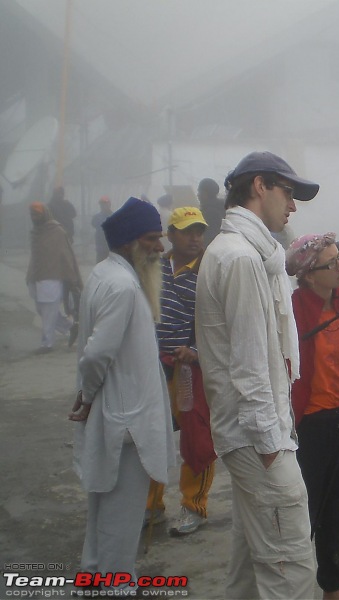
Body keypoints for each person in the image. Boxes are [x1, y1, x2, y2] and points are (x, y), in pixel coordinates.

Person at [195, 150, 319, 599]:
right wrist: (271, 449)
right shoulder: (242, 259)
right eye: (288, 192)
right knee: (291, 569)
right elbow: (249, 366)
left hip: (249, 433)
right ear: (260, 186)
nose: (293, 205)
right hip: (257, 438)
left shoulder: (247, 253)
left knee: (250, 563)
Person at [68, 197, 174, 597]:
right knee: (120, 521)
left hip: (119, 417)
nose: (159, 249)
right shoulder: (124, 286)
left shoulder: (105, 275)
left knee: (103, 515)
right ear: (129, 241)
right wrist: (88, 394)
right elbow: (96, 353)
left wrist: (89, 395)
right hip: (125, 424)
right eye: (152, 240)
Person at [286, 233, 339, 600]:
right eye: (331, 263)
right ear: (308, 275)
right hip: (310, 424)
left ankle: (333, 584)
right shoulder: (292, 311)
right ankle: (294, 583)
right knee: (306, 508)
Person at [145, 206, 217, 536]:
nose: (194, 238)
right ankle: (150, 506)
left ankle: (194, 506)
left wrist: (198, 352)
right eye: (187, 231)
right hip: (154, 364)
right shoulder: (154, 266)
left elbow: (221, 323)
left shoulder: (210, 270)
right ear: (170, 234)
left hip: (191, 368)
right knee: (151, 436)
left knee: (197, 438)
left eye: (199, 231)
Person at [26, 202, 82, 354]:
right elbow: (35, 257)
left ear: (44, 214)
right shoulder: (36, 232)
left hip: (52, 277)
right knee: (41, 309)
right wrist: (30, 275)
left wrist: (72, 277)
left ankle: (47, 344)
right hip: (37, 276)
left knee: (49, 311)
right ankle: (70, 327)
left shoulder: (56, 230)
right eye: (32, 215)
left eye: (37, 214)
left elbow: (66, 255)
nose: (35, 217)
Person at [197, 178, 225, 246]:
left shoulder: (208, 212)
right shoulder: (223, 208)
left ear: (206, 194)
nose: (198, 195)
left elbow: (209, 237)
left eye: (200, 192)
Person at [90, 196, 113, 263]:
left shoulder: (114, 216)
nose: (103, 206)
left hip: (110, 246)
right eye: (102, 204)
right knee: (100, 262)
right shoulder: (96, 217)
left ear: (109, 204)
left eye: (105, 203)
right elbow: (93, 224)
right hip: (100, 245)